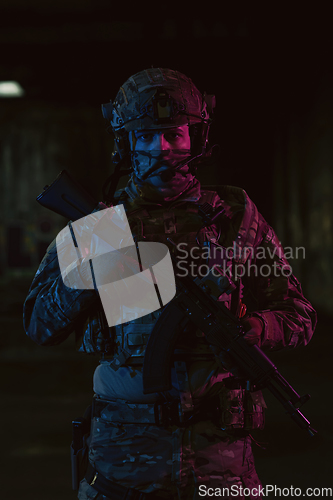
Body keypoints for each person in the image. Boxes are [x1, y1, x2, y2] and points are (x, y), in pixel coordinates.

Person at [23, 68, 317, 500]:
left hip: (221, 461)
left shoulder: (234, 214)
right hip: (125, 458)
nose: (161, 149)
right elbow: (38, 324)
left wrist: (258, 329)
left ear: (195, 140)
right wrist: (93, 263)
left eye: (174, 136)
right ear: (126, 144)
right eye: (146, 137)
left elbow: (299, 315)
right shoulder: (100, 226)